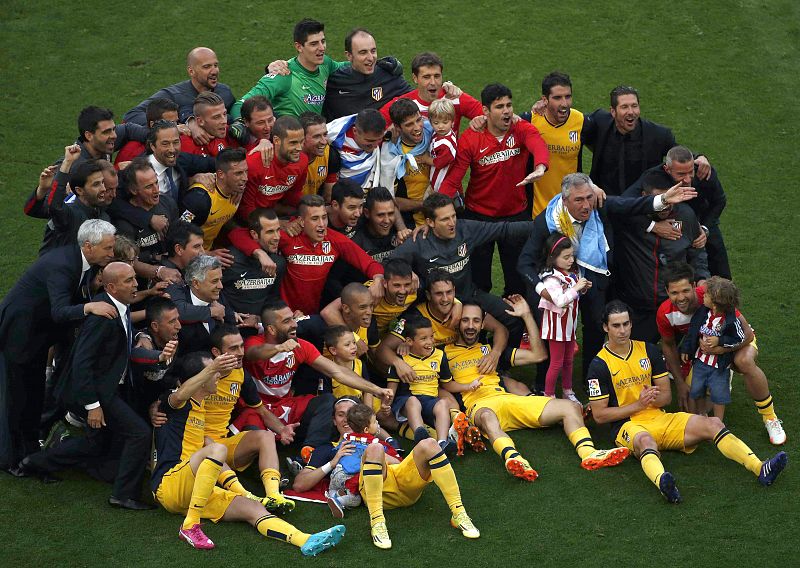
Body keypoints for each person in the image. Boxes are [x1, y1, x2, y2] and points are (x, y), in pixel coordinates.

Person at [587, 301, 788, 503]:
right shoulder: (599, 365)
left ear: (631, 324)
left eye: (626, 324)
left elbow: (666, 397)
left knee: (714, 424)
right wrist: (638, 406)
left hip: (660, 419)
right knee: (646, 441)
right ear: (606, 327)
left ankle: (760, 467)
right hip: (629, 426)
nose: (622, 330)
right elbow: (600, 415)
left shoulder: (648, 351)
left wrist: (652, 400)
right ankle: (663, 483)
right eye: (616, 326)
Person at [151, 351, 345, 555]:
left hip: (194, 490)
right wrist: (213, 367)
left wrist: (242, 492)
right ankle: (190, 525)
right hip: (170, 484)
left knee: (253, 508)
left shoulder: (201, 408)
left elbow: (212, 459)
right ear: (200, 378)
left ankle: (305, 540)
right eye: (214, 371)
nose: (219, 375)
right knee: (217, 448)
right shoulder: (176, 402)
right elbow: (179, 395)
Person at [517, 172, 699, 379]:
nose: (586, 205)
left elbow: (630, 206)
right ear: (565, 200)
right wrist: (544, 291)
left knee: (596, 325)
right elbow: (524, 263)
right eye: (579, 200)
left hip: (594, 277)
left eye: (588, 197)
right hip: (558, 285)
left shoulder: (599, 205)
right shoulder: (548, 222)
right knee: (551, 332)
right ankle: (542, 386)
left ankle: (591, 378)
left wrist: (663, 200)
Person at [19, 263, 154, 510]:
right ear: (111, 287)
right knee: (139, 433)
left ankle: (34, 463)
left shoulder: (118, 307)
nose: (136, 284)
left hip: (106, 388)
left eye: (135, 278)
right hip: (96, 393)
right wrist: (93, 406)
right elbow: (82, 363)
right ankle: (124, 494)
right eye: (129, 281)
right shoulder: (103, 317)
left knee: (96, 442)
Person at [446, 298, 628, 480]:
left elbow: (538, 354)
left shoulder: (492, 351)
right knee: (487, 417)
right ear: (457, 321)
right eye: (465, 320)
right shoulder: (444, 355)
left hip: (508, 400)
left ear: (483, 323)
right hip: (480, 406)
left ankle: (589, 452)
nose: (471, 326)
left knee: (570, 407)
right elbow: (439, 388)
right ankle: (513, 458)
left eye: (476, 320)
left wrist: (526, 316)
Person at [0, 219, 117, 469]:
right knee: (16, 396)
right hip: (20, 335)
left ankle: (30, 452)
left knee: (32, 394)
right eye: (107, 248)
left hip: (36, 333)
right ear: (89, 246)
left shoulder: (80, 261)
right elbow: (60, 311)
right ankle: (10, 460)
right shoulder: (63, 266)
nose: (112, 253)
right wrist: (88, 305)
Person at [656, 263, 785, 444]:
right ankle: (722, 381)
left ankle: (770, 418)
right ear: (667, 292)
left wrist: (722, 349)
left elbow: (747, 334)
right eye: (674, 293)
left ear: (694, 286)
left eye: (685, 290)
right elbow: (668, 346)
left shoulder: (712, 296)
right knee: (697, 406)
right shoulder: (665, 313)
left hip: (735, 342)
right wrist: (679, 383)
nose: (681, 298)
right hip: (707, 353)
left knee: (744, 362)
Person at [439, 83, 549, 296]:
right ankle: (479, 325)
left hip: (516, 217)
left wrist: (541, 166)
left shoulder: (521, 128)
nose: (507, 111)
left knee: (517, 280)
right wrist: (434, 213)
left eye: (509, 105)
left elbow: (537, 143)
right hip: (479, 218)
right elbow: (454, 178)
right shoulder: (471, 139)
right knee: (479, 280)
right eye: (499, 107)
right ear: (486, 111)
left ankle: (514, 328)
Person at [238, 300, 393, 447]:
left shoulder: (301, 346)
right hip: (257, 408)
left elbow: (337, 372)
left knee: (327, 401)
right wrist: (279, 348)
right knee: (253, 436)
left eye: (293, 319)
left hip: (285, 405)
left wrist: (376, 390)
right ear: (271, 329)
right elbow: (253, 353)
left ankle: (310, 450)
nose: (294, 324)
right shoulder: (254, 342)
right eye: (286, 321)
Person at [388, 193, 532, 345]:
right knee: (415, 337)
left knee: (513, 318)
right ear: (430, 222)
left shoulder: (466, 229)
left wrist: (545, 225)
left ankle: (500, 362)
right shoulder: (418, 243)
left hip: (469, 294)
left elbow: (504, 229)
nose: (452, 223)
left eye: (453, 216)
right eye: (445, 219)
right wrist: (408, 272)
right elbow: (389, 263)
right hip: (438, 303)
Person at [228, 195, 386, 316]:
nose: (322, 224)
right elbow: (237, 234)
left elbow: (369, 263)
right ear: (301, 221)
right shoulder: (288, 235)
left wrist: (378, 279)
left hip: (312, 313)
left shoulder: (335, 240)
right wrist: (260, 253)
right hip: (281, 314)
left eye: (324, 217)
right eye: (315, 219)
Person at [358, 408, 479, 550]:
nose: (343, 419)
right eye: (339, 414)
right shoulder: (341, 445)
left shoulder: (381, 438)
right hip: (378, 491)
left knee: (430, 444)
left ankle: (459, 513)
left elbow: (398, 462)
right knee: (375, 448)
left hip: (403, 482)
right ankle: (377, 522)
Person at [613, 169, 709, 342]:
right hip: (639, 304)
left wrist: (702, 277)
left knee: (687, 353)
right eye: (661, 200)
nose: (666, 206)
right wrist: (650, 225)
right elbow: (610, 208)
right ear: (644, 196)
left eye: (669, 199)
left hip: (676, 303)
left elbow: (697, 252)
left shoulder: (686, 215)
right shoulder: (629, 217)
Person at [582, 85, 711, 196]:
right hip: (605, 203)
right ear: (613, 111)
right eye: (624, 107)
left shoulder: (658, 135)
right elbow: (575, 126)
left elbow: (677, 152)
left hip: (642, 207)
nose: (631, 112)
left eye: (634, 106)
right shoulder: (600, 122)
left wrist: (700, 157)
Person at [623, 145, 730, 278]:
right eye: (680, 174)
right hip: (670, 222)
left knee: (722, 272)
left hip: (702, 220)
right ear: (667, 169)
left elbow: (719, 201)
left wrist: (705, 228)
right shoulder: (651, 177)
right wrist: (653, 226)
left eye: (690, 172)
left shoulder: (703, 171)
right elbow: (624, 205)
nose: (687, 179)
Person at [231, 19, 347, 119]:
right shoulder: (283, 74)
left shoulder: (325, 64)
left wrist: (363, 58)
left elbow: (348, 66)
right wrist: (240, 124)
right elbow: (239, 106)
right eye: (314, 44)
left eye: (323, 41)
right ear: (299, 47)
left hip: (314, 139)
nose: (322, 48)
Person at [388, 316, 465, 453]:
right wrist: (385, 404)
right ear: (409, 341)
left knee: (443, 403)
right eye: (423, 339)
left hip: (430, 401)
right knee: (413, 401)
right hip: (407, 401)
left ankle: (442, 442)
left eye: (431, 336)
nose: (430, 342)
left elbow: (447, 384)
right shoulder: (401, 359)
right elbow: (391, 387)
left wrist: (469, 385)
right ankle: (420, 435)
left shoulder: (440, 356)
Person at [521, 71, 587, 216]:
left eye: (568, 97)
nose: (564, 104)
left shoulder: (582, 122)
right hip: (536, 213)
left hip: (570, 212)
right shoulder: (530, 121)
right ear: (545, 99)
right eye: (557, 98)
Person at [678, 277, 743, 421]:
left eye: (706, 295)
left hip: (719, 366)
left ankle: (718, 424)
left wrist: (720, 341)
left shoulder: (731, 320)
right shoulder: (702, 312)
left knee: (719, 394)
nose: (703, 296)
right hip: (700, 362)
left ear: (715, 302)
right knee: (696, 390)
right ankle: (702, 415)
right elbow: (693, 330)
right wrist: (687, 349)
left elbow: (738, 338)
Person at [536, 233, 591, 402]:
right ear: (553, 258)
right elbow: (559, 301)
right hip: (556, 328)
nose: (571, 260)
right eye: (566, 257)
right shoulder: (551, 278)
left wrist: (582, 288)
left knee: (568, 361)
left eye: (572, 256)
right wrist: (576, 288)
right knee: (557, 363)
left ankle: (567, 391)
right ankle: (549, 396)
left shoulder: (569, 274)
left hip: (569, 326)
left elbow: (572, 296)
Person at [124, 47, 236, 126]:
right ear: (191, 71)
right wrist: (171, 127)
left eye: (215, 65)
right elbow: (132, 115)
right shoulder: (173, 95)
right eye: (206, 67)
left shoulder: (224, 92)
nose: (214, 71)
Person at [322, 28, 412, 120]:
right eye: (363, 52)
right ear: (349, 56)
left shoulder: (388, 75)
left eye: (373, 51)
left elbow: (415, 98)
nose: (370, 58)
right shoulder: (334, 82)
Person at [378, 52, 482, 131]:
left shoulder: (454, 97)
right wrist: (388, 135)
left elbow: (490, 117)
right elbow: (372, 126)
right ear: (415, 78)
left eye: (437, 76)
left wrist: (480, 121)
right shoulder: (402, 104)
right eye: (426, 77)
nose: (433, 82)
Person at [38, 150, 111, 253]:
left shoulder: (101, 212)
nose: (103, 188)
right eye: (96, 184)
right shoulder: (69, 214)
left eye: (103, 182)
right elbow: (54, 205)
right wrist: (67, 163)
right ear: (79, 191)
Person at [239, 115, 308, 222]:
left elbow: (294, 194)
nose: (299, 148)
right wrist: (279, 225)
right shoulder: (254, 163)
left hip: (275, 212)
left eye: (301, 142)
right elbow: (246, 209)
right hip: (250, 220)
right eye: (293, 143)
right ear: (276, 141)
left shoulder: (302, 161)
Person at [113, 158, 179, 269]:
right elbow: (126, 261)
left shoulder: (168, 203)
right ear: (133, 190)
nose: (156, 190)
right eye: (149, 186)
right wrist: (155, 258)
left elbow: (179, 237)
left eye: (156, 183)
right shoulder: (124, 223)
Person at [178, 147, 248, 251]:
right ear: (221, 174)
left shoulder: (237, 190)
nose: (245, 178)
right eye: (238, 173)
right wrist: (206, 254)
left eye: (246, 171)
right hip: (192, 256)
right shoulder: (198, 200)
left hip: (211, 248)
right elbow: (179, 233)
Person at [222, 208, 286, 322]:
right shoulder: (229, 260)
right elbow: (214, 294)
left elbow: (272, 298)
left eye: (278, 230)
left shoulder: (278, 263)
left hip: (261, 326)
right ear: (254, 234)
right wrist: (230, 314)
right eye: (270, 232)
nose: (277, 237)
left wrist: (260, 319)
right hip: (230, 324)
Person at [379, 98, 434, 228]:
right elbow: (390, 198)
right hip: (414, 222)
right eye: (409, 124)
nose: (417, 128)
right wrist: (425, 205)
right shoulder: (390, 153)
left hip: (443, 214)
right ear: (397, 127)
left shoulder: (434, 133)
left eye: (418, 120)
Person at [173, 255, 237, 356]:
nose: (221, 286)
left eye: (221, 280)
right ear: (196, 283)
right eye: (215, 281)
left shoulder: (219, 298)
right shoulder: (180, 300)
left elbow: (231, 327)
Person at [326, 108, 387, 188]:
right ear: (355, 131)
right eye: (370, 141)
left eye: (379, 139)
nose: (376, 145)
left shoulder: (388, 134)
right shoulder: (331, 134)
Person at [115, 98, 180, 167]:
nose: (176, 127)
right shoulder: (132, 152)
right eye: (169, 123)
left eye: (176, 122)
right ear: (152, 124)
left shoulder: (179, 138)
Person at [179, 91, 238, 157]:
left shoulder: (232, 133)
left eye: (224, 114)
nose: (224, 121)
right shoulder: (184, 144)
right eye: (216, 117)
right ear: (200, 121)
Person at [299, 111, 340, 202]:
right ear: (302, 138)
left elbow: (328, 196)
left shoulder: (331, 155)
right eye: (317, 136)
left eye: (325, 134)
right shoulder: (288, 157)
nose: (324, 141)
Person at [427, 98, 458, 192]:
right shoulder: (442, 134)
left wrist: (425, 159)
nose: (440, 126)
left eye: (445, 122)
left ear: (452, 122)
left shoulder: (446, 144)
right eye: (436, 123)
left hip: (440, 183)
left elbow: (439, 163)